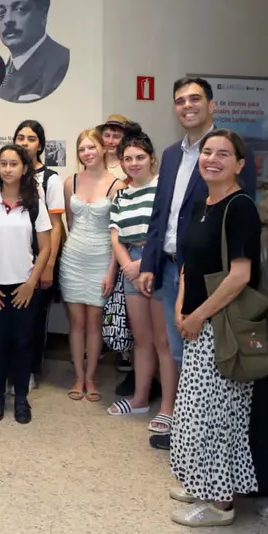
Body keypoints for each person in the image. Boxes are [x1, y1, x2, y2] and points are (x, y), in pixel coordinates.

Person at [137, 77, 257, 450]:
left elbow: (238, 213)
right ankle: (181, 424)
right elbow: (161, 213)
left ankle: (202, 438)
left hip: (210, 275)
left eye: (194, 99)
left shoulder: (229, 153)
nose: (187, 105)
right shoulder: (172, 154)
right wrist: (149, 262)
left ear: (211, 105)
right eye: (180, 100)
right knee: (175, 348)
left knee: (206, 357)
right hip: (171, 266)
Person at [169, 129, 261, 527]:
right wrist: (179, 306)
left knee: (217, 416)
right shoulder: (203, 203)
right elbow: (189, 263)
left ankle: (220, 504)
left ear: (240, 165)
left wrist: (198, 315)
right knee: (195, 411)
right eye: (207, 151)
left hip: (220, 326)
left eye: (223, 154)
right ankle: (203, 482)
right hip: (195, 323)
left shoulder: (240, 207)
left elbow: (240, 275)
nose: (212, 159)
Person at [0, 119, 65, 400]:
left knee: (24, 343)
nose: (8, 169)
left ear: (25, 167)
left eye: (14, 164)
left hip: (25, 286)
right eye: (3, 164)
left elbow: (45, 247)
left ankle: (22, 399)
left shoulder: (35, 200)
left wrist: (31, 283)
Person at [106, 124, 172, 435]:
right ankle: (140, 399)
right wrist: (128, 267)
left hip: (158, 265)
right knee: (142, 340)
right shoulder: (121, 196)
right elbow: (116, 237)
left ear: (152, 159)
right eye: (128, 158)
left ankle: (169, 408)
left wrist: (144, 264)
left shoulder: (164, 189)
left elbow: (165, 234)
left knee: (164, 341)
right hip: (131, 266)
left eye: (139, 157)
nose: (134, 163)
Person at [60, 128, 124, 403]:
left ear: (104, 149)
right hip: (73, 257)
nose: (87, 153)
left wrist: (113, 269)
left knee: (95, 321)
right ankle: (77, 375)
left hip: (102, 257)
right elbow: (70, 222)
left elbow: (117, 231)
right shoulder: (69, 181)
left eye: (91, 147)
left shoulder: (117, 185)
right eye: (82, 149)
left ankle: (92, 377)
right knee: (76, 322)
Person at [0, 0, 70, 103]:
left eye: (20, 9)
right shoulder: (1, 75)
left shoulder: (59, 63)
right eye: (1, 13)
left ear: (43, 13)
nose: (8, 20)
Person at [100, 114, 128, 180]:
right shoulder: (95, 161)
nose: (110, 141)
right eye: (107, 136)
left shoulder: (129, 164)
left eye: (116, 137)